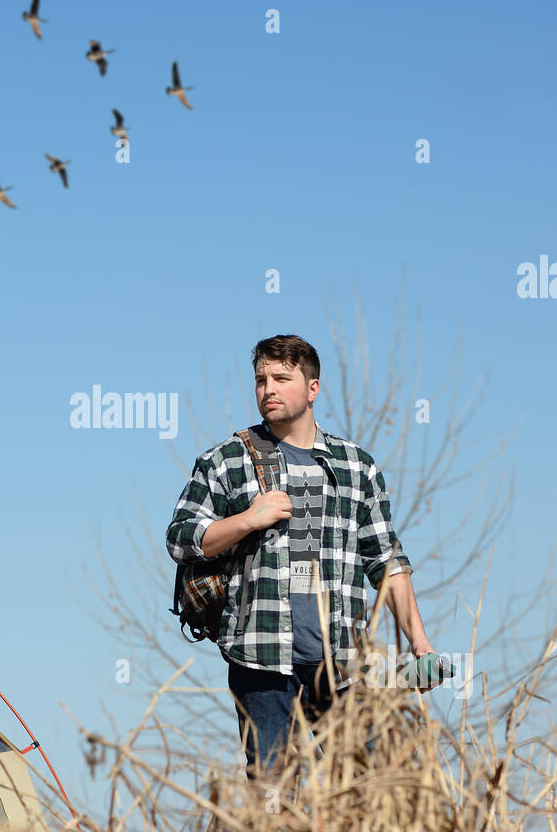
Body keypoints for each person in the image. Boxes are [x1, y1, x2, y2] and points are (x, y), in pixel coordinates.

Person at [165, 334, 435, 781]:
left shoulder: (356, 467)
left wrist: (419, 644)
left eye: (281, 378)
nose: (268, 389)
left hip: (343, 660)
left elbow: (386, 561)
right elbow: (180, 538)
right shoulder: (226, 460)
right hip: (261, 656)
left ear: (313, 388)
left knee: (370, 785)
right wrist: (248, 519)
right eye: (260, 379)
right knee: (274, 796)